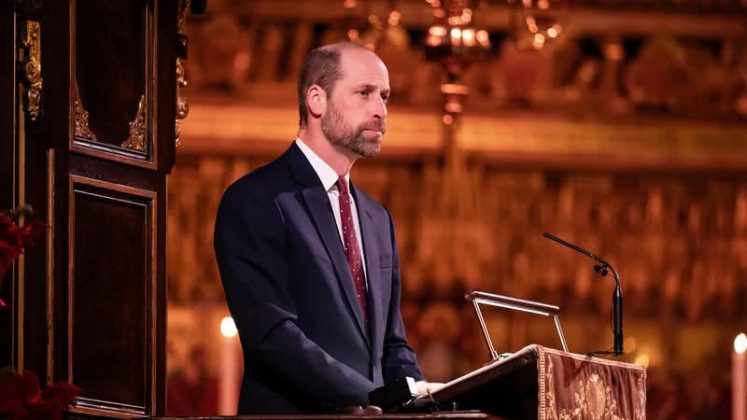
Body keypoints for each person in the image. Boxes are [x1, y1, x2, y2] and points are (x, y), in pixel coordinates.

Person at [214, 42, 440, 414]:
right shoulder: (257, 199)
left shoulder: (377, 217)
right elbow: (272, 335)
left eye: (385, 97)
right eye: (364, 93)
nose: (381, 111)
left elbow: (392, 345)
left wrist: (422, 399)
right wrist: (372, 398)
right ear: (316, 99)